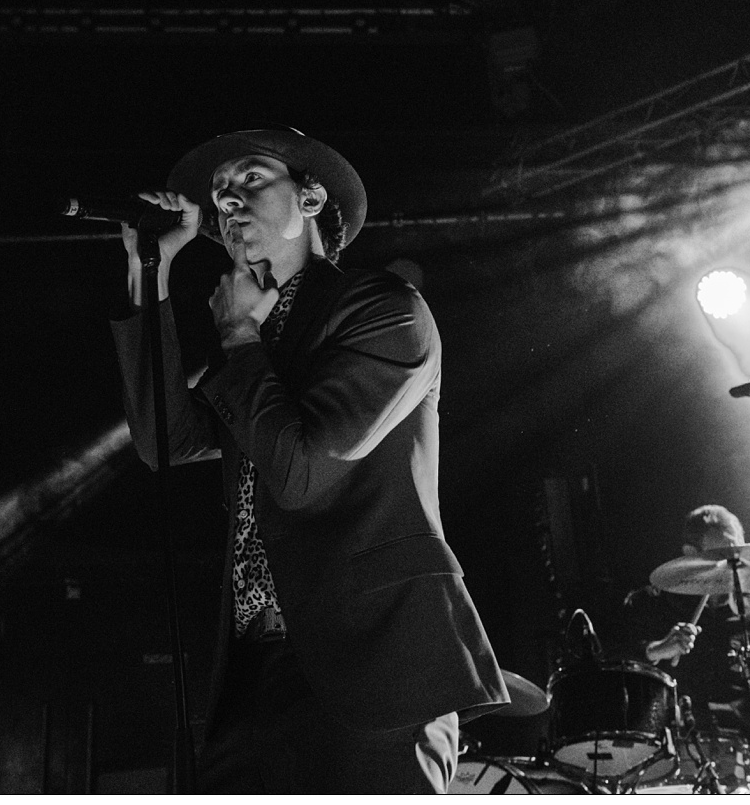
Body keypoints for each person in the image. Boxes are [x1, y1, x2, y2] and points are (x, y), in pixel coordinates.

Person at [110, 126, 508, 792]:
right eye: (218, 193)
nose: (228, 201)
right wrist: (147, 273)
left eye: (251, 179)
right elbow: (164, 439)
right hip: (252, 674)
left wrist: (238, 336)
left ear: (313, 195)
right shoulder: (258, 346)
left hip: (375, 667)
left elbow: (300, 471)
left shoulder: (384, 310)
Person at [620, 504, 750, 791]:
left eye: (736, 554)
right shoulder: (655, 603)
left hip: (744, 743)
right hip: (672, 745)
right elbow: (614, 662)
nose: (731, 563)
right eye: (719, 556)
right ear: (690, 555)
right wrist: (657, 649)